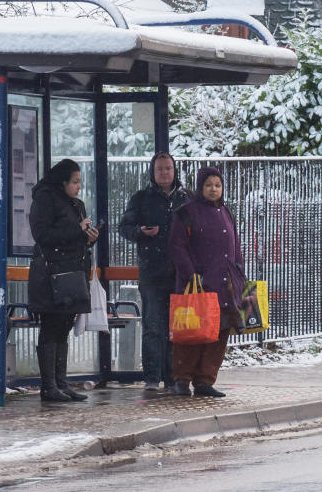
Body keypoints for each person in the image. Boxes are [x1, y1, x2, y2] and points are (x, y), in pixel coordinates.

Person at [167, 166, 246, 397]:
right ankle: (182, 379)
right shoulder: (187, 212)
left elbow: (235, 245)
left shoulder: (226, 212)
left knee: (219, 333)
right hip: (198, 284)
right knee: (192, 332)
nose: (214, 189)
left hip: (224, 285)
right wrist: (191, 274)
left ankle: (205, 380)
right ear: (201, 187)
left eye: (218, 185)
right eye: (209, 185)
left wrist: (238, 271)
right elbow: (177, 247)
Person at [27, 159, 100, 402]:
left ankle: (61, 382)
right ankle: (48, 386)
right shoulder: (45, 199)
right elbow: (42, 235)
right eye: (75, 181)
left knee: (64, 327)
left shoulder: (76, 204)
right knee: (52, 327)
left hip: (73, 273)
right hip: (51, 275)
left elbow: (74, 236)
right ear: (63, 181)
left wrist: (89, 237)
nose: (79, 186)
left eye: (80, 181)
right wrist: (77, 230)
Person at [118, 152, 191, 391]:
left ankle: (173, 376)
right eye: (159, 169)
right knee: (152, 325)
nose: (164, 173)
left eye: (168, 168)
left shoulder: (186, 198)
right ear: (152, 172)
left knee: (177, 327)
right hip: (152, 272)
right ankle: (152, 376)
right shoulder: (141, 198)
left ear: (174, 170)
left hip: (180, 273)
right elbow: (124, 227)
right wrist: (141, 231)